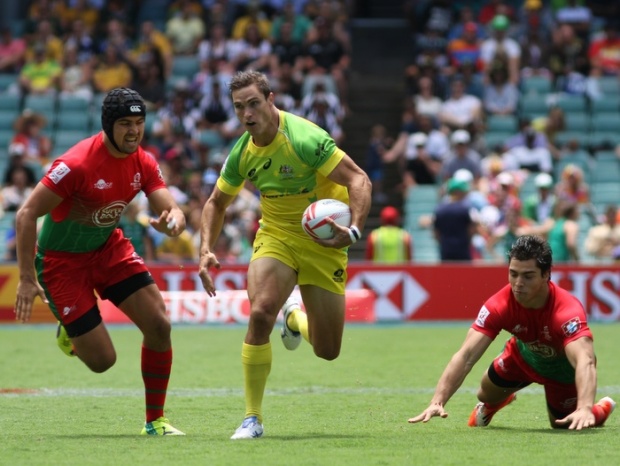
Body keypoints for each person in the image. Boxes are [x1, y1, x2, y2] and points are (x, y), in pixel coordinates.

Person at [197, 71, 371, 440]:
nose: (247, 114)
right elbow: (216, 203)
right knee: (260, 313)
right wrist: (205, 250)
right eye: (239, 107)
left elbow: (359, 180)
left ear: (270, 99)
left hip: (325, 243)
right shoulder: (242, 152)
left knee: (327, 350)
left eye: (253, 103)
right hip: (277, 236)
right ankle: (252, 418)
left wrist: (353, 231)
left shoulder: (305, 138)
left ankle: (293, 319)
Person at [13, 88, 186, 436]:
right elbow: (26, 214)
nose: (134, 131)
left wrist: (174, 219)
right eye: (125, 124)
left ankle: (155, 422)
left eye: (139, 122)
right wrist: (27, 278)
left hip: (108, 249)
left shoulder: (143, 160)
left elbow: (169, 206)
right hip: (62, 263)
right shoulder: (75, 164)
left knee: (159, 325)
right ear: (108, 125)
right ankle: (69, 330)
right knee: (103, 363)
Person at [409, 235, 616, 430]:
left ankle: (600, 409)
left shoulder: (567, 312)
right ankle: (496, 404)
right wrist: (437, 401)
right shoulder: (499, 305)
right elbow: (466, 356)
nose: (518, 283)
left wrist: (586, 407)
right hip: (522, 358)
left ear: (546, 274)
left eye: (528, 276)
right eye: (513, 273)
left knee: (563, 424)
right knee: (484, 394)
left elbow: (585, 361)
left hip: (562, 372)